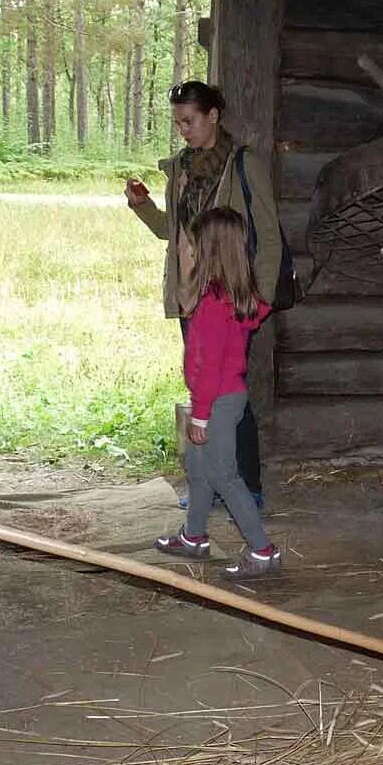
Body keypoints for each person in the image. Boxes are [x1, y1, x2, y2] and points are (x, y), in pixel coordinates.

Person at [125, 80, 281, 508]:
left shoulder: (244, 165)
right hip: (192, 296)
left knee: (229, 392)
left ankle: (248, 487)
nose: (183, 130)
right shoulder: (180, 168)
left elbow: (269, 237)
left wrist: (260, 300)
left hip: (235, 298)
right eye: (177, 123)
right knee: (202, 387)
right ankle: (209, 485)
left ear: (214, 116)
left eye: (189, 121)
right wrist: (142, 206)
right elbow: (168, 232)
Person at [153, 208, 281, 579]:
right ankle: (194, 536)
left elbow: (208, 367)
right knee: (197, 466)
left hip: (218, 401)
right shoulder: (235, 298)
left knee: (224, 475)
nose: (184, 251)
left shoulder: (212, 305)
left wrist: (201, 415)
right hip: (223, 397)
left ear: (206, 253)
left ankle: (263, 551)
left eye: (189, 246)